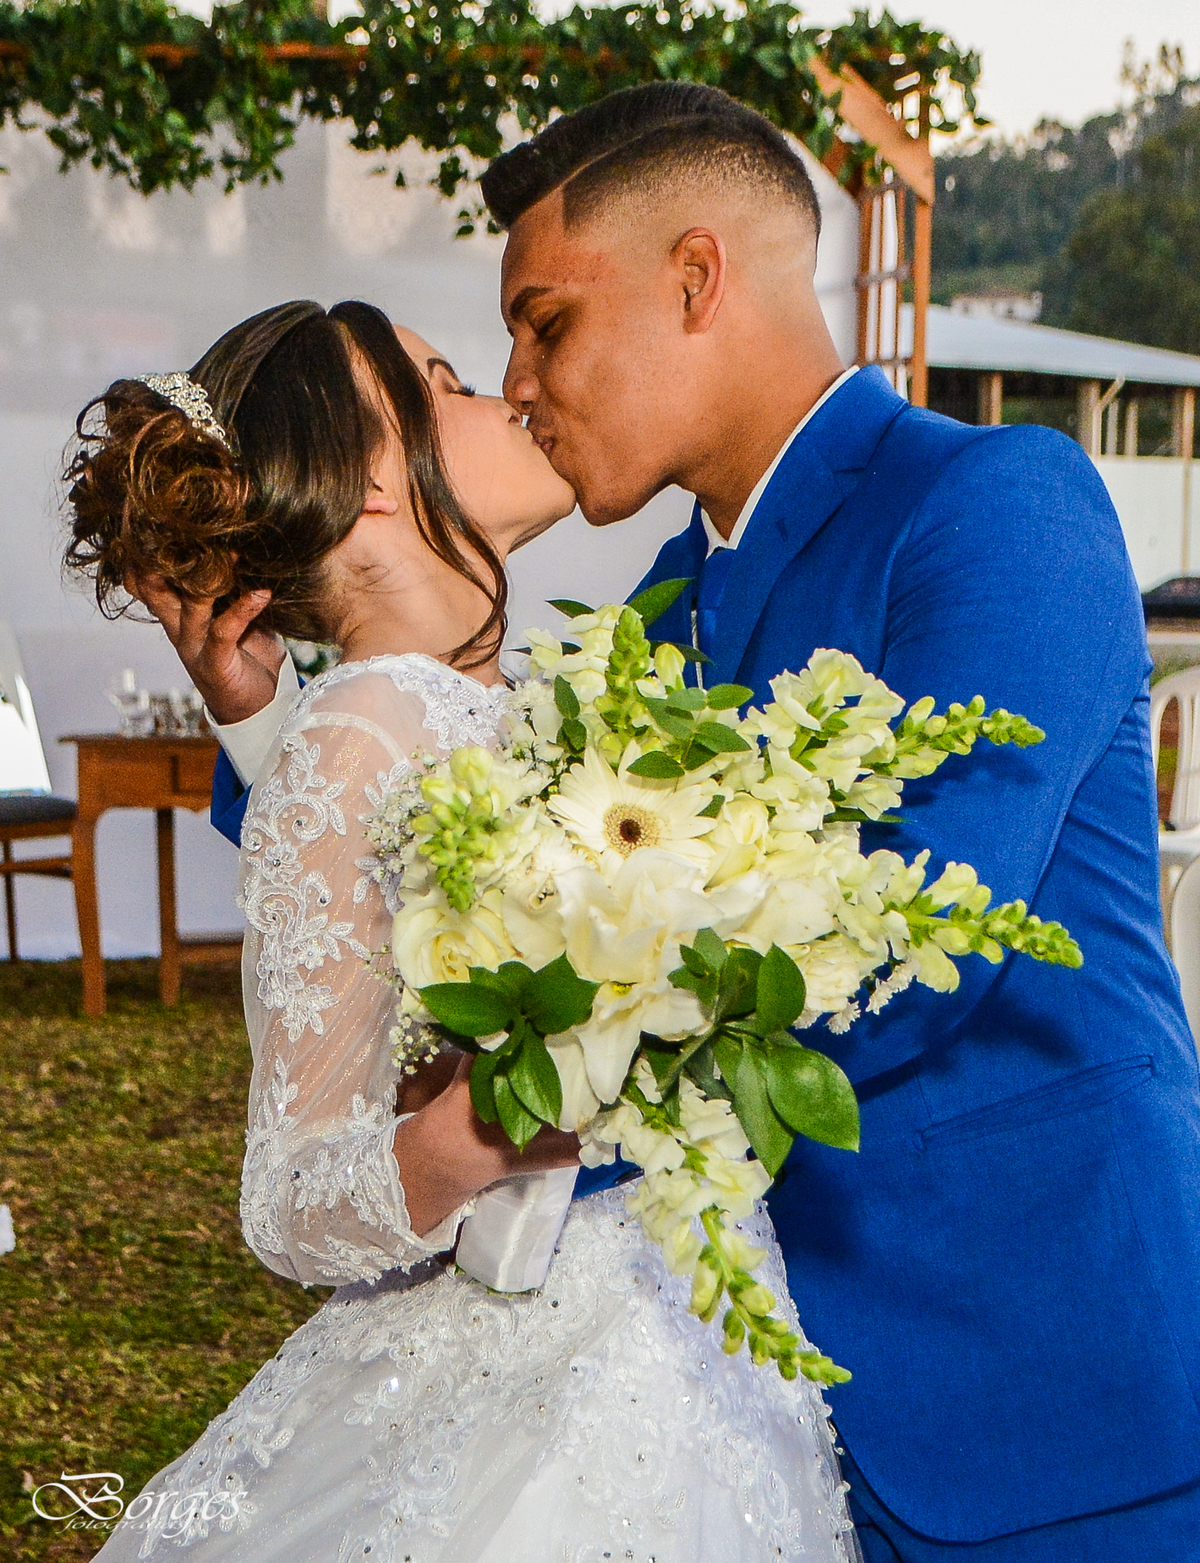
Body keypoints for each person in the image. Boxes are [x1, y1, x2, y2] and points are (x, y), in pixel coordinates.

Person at [178, 86, 1200, 1563]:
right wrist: (264, 720)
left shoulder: (991, 503)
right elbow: (427, 837)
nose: (519, 383)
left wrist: (524, 1108)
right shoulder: (660, 612)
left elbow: (917, 929)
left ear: (697, 279)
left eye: (545, 323)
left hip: (1040, 1379)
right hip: (756, 1418)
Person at [66, 298, 857, 1561]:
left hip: (683, 1331)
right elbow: (287, 1199)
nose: (510, 392)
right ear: (375, 478)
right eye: (447, 382)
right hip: (526, 1376)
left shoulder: (548, 698)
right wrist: (496, 1118)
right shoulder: (350, 738)